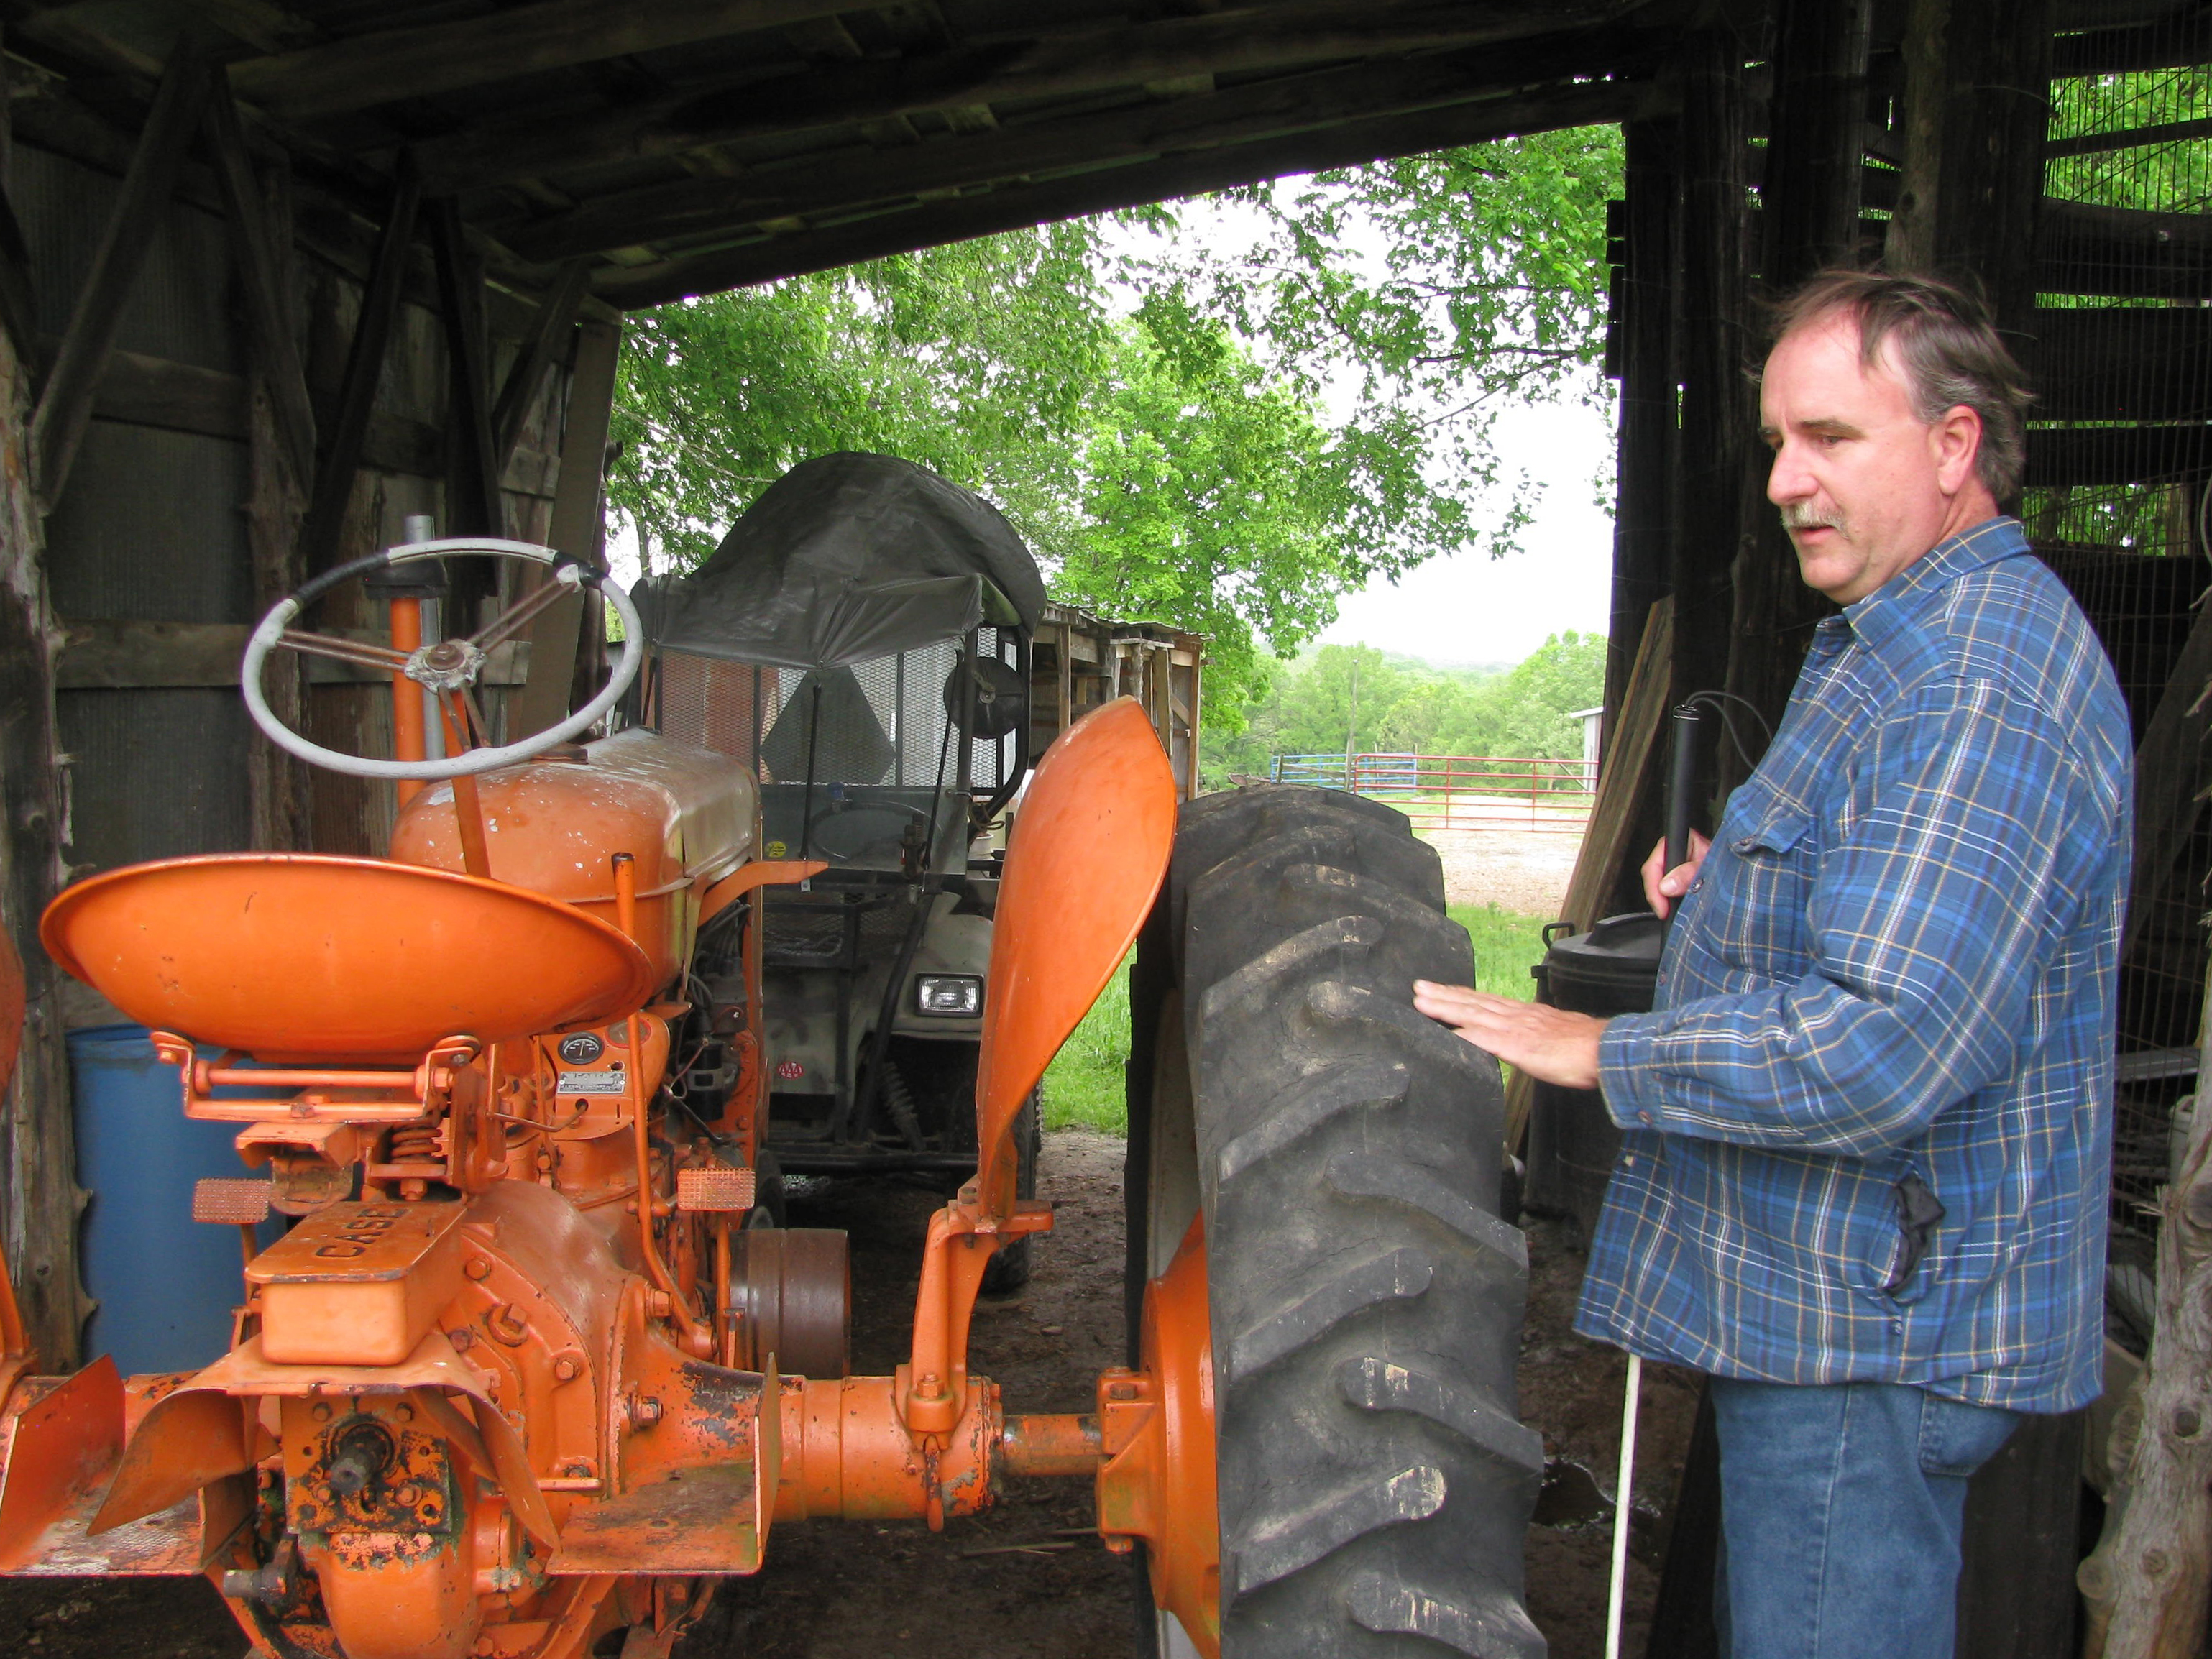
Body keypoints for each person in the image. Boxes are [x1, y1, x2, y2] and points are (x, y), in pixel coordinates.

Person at [1414, 270, 2131, 1659]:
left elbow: (1887, 1043)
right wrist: (1732, 900)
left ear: (1953, 445)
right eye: (1774, 444)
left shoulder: (1976, 682)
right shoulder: (1900, 638)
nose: (1786, 481)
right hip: (1837, 1300)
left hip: (1870, 1328)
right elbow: (1890, 915)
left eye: (1830, 439)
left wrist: (1602, 1048)